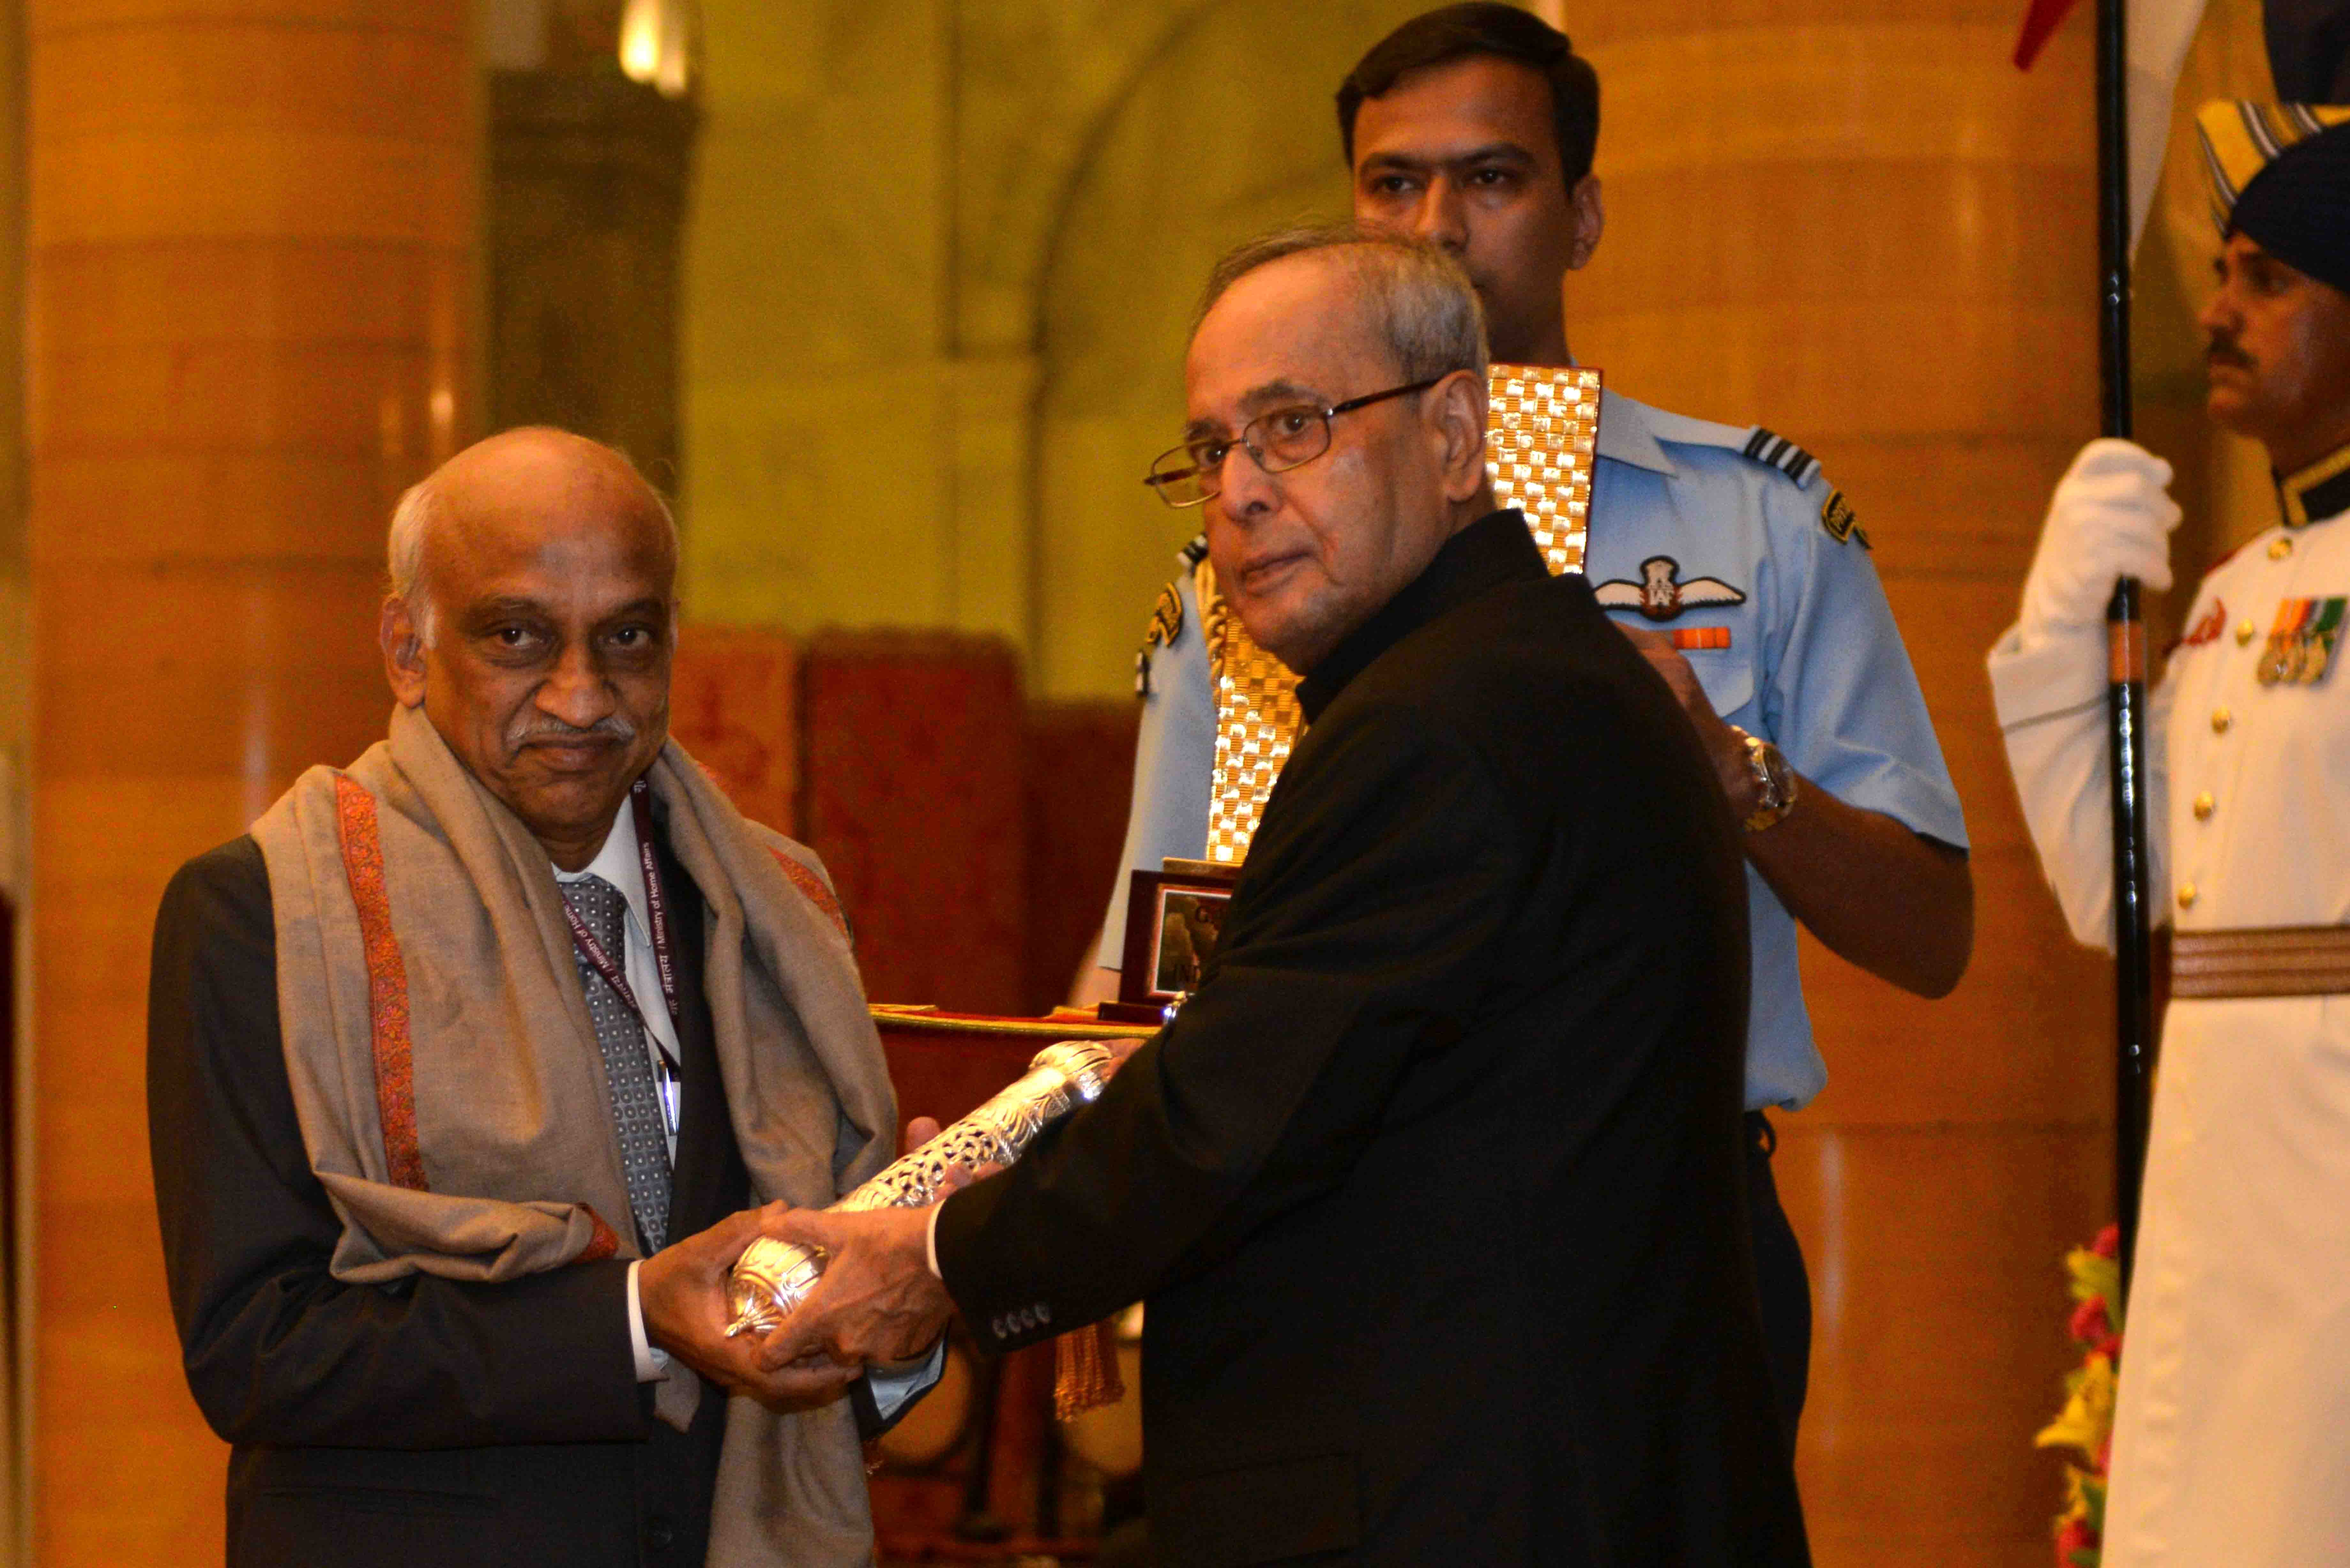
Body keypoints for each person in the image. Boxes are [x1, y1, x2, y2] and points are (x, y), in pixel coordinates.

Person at [757, 228, 1810, 1565]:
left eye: (1292, 428)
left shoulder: (1438, 726)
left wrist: (938, 1254)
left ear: (1452, 434)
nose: (1238, 493)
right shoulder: (1521, 676)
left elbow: (1226, 1125)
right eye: (1210, 451)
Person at [1080, 2, 1972, 1444]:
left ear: (1581, 212)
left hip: (1657, 1231)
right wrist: (1072, 1200)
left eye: (1491, 179)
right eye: (1391, 185)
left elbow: (1934, 933)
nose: (1436, 225)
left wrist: (1724, 766)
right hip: (1320, 1229)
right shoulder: (1251, 564)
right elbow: (1168, 936)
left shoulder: (1751, 520)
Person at [147, 428, 941, 1567]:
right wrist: (629, 1321)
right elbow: (257, 1350)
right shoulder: (264, 914)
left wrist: (899, 1285)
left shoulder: (775, 910)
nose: (582, 696)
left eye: (626, 637)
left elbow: (818, 1329)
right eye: (517, 636)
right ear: (406, 651)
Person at [1989, 103, 2350, 1565]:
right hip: (2218, 1180)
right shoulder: (2236, 583)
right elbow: (2107, 891)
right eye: (2221, 271)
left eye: (2267, 279)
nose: (2218, 312)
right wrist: (2060, 632)